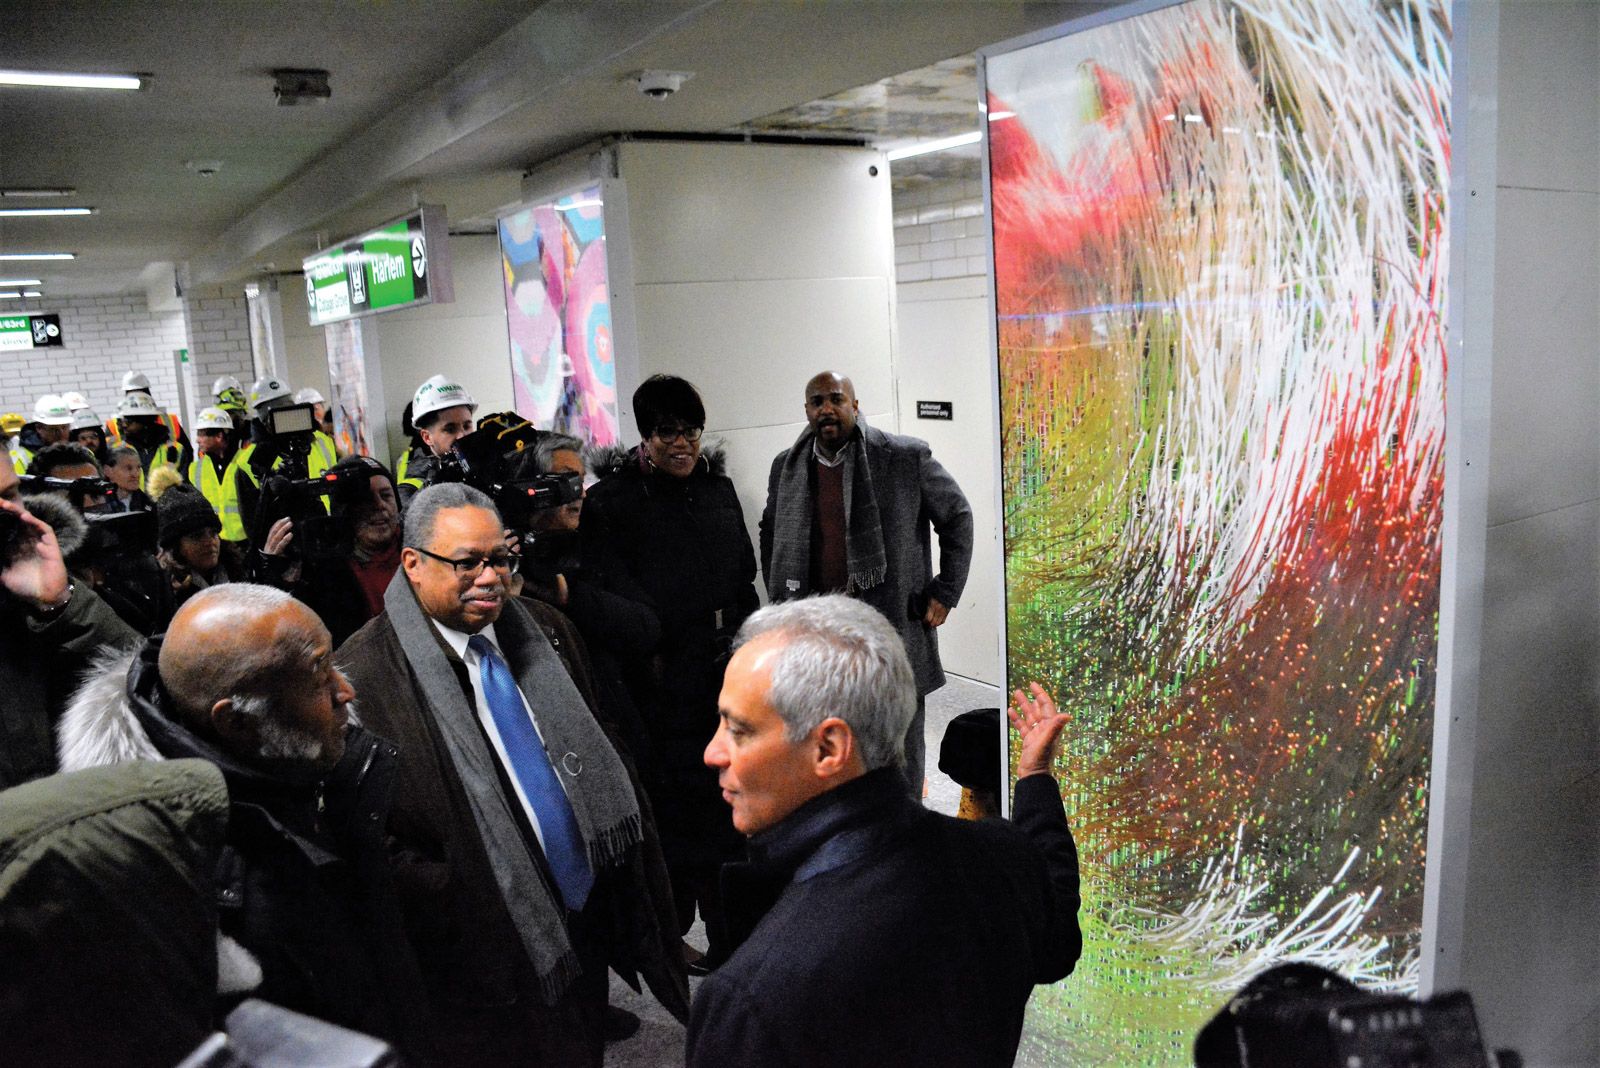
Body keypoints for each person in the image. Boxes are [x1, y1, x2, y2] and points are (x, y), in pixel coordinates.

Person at [337, 483, 688, 1065]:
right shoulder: (363, 676)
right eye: (467, 562)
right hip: (479, 938)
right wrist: (454, 891)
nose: (490, 576)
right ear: (413, 564)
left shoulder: (547, 629)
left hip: (582, 908)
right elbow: (373, 839)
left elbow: (603, 740)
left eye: (500, 558)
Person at [688, 595, 1083, 1068]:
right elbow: (1057, 942)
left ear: (829, 748)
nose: (713, 752)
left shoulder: (752, 1000)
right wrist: (1036, 781)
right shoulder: (1002, 857)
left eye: (739, 730)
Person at [55, 583, 434, 1061]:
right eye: (319, 677)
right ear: (236, 721)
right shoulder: (176, 879)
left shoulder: (315, 765)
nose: (346, 690)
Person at [582, 374, 760, 974]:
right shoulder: (613, 501)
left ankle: (730, 929)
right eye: (666, 432)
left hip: (724, 663)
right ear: (644, 435)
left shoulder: (719, 489)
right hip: (659, 679)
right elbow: (614, 593)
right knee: (677, 806)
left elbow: (742, 577)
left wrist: (754, 645)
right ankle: (671, 932)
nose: (681, 443)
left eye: (690, 430)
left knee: (732, 799)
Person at [760, 370, 974, 796]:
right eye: (816, 401)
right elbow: (770, 530)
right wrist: (781, 596)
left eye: (836, 399)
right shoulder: (787, 467)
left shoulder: (902, 458)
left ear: (855, 406)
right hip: (820, 635)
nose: (826, 409)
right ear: (806, 411)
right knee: (834, 743)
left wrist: (945, 591)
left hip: (891, 627)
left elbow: (957, 517)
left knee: (900, 746)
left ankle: (908, 828)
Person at [509, 433, 661, 771]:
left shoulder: (595, 537)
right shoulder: (501, 558)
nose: (576, 493)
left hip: (615, 720)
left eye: (579, 480)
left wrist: (567, 594)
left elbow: (646, 627)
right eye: (563, 481)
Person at [0, 458, 138, 788]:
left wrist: (61, 604)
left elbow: (142, 684)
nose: (6, 514)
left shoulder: (30, 605)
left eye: (11, 494)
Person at [255, 456, 403, 646]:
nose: (379, 505)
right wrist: (278, 579)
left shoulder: (420, 549)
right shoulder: (323, 569)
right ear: (343, 510)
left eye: (386, 495)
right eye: (365, 498)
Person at [396, 374, 477, 504]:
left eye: (467, 426)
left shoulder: (490, 465)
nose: (462, 435)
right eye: (450, 429)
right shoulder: (410, 488)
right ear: (427, 437)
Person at [156, 486, 236, 614]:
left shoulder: (237, 573)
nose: (210, 542)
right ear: (175, 546)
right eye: (196, 536)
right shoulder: (164, 592)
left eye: (214, 533)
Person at [116, 391, 189, 485]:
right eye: (122, 421)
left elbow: (182, 484)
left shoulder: (176, 449)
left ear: (145, 421)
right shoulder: (120, 451)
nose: (124, 425)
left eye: (129, 421)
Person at [188, 406, 237, 519]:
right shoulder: (195, 469)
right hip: (212, 535)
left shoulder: (243, 461)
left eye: (201, 434)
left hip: (246, 536)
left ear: (219, 436)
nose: (197, 440)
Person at [10, 394, 72, 474]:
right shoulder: (19, 458)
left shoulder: (83, 453)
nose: (61, 434)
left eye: (64, 427)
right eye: (53, 429)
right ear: (39, 428)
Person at [101, 444, 155, 512]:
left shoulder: (148, 504)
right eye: (128, 468)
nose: (136, 474)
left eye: (138, 467)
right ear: (108, 471)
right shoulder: (96, 502)